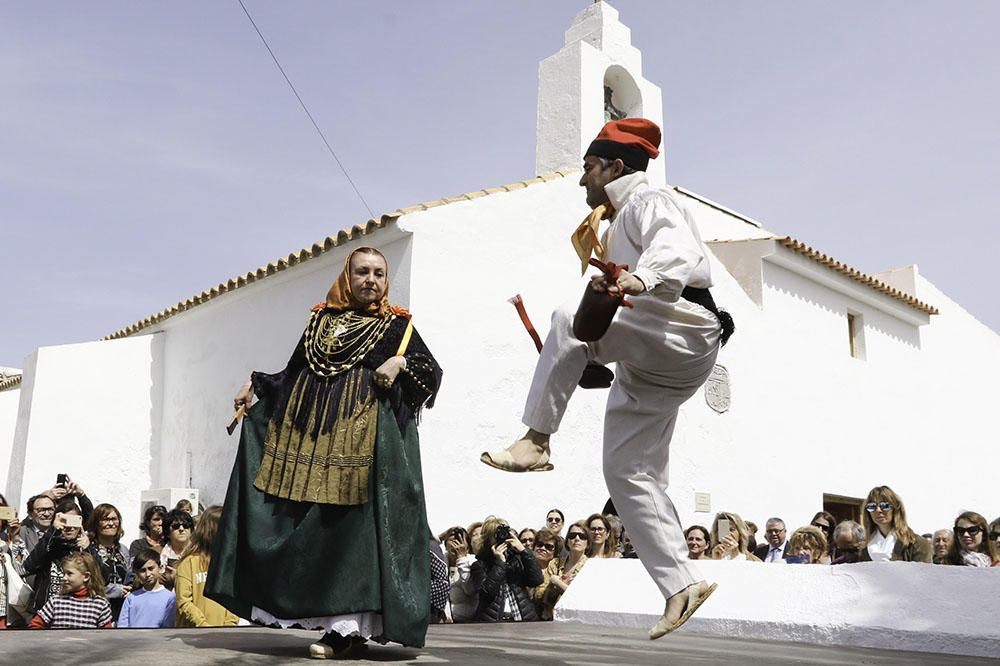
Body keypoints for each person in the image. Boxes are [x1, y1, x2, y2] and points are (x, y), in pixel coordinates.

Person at [481, 118, 727, 639]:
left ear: (616, 166)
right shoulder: (611, 224)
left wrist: (642, 277)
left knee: (567, 318)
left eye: (589, 167)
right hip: (655, 362)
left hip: (683, 325)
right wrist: (589, 359)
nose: (582, 179)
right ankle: (681, 585)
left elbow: (675, 248)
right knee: (626, 471)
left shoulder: (646, 200)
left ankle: (535, 440)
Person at [207, 247, 442, 659]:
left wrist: (400, 363)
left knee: (353, 540)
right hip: (314, 449)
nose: (371, 279)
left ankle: (346, 631)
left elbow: (431, 372)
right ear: (346, 277)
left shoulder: (397, 326)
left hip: (366, 453)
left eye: (379, 273)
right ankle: (321, 619)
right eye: (363, 272)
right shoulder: (319, 322)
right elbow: (292, 374)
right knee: (313, 535)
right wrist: (256, 385)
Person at [20, 499, 89, 615]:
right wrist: (52, 531)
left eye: (74, 521)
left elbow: (103, 579)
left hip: (79, 614)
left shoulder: (87, 548)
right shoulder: (50, 545)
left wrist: (88, 549)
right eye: (65, 521)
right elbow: (30, 565)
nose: (69, 526)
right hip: (45, 614)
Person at [470, 517, 544, 622]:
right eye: (496, 535)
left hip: (522, 619)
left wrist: (524, 551)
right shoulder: (479, 565)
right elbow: (487, 592)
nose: (501, 538)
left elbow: (537, 580)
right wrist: (500, 563)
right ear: (488, 539)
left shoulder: (517, 559)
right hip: (492, 621)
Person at [175, 506, 237, 627]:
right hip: (193, 637)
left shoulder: (228, 563)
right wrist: (203, 625)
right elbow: (183, 602)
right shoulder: (188, 563)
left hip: (224, 634)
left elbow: (233, 599)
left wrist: (229, 625)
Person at [28, 551, 112, 629]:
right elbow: (35, 626)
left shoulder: (100, 605)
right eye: (64, 573)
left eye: (69, 573)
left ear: (86, 576)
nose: (64, 578)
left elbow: (107, 635)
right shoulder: (56, 602)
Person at [860, 486, 931, 563]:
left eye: (884, 505)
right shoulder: (865, 549)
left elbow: (922, 574)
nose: (878, 510)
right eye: (872, 506)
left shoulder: (918, 544)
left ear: (895, 509)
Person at [86, 503, 132, 622]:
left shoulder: (123, 550)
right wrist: (117, 590)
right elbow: (91, 583)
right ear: (96, 523)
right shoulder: (89, 550)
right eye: (105, 519)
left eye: (114, 519)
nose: (111, 523)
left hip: (120, 610)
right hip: (95, 609)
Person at [537, 522, 589, 620]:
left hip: (576, 619)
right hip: (550, 618)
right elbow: (539, 593)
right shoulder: (555, 563)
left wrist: (557, 582)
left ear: (588, 542)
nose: (576, 539)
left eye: (582, 536)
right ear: (567, 541)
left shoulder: (589, 566)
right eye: (572, 535)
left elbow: (582, 598)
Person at [118, 549, 176, 628]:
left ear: (160, 568)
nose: (147, 574)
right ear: (137, 573)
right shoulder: (131, 598)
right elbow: (122, 627)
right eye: (143, 570)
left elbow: (169, 627)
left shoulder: (170, 598)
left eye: (151, 568)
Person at [442, 526, 477, 623]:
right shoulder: (440, 562)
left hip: (468, 621)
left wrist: (461, 559)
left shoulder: (473, 562)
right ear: (445, 545)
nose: (456, 545)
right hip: (446, 622)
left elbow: (469, 590)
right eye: (453, 541)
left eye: (460, 541)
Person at [529, 528, 560, 618]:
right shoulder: (524, 567)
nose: (543, 548)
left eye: (548, 547)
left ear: (555, 552)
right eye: (539, 544)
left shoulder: (559, 571)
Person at [159, 508, 193, 589]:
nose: (181, 529)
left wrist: (178, 578)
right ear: (167, 533)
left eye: (186, 526)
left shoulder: (199, 553)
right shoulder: (156, 552)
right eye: (176, 526)